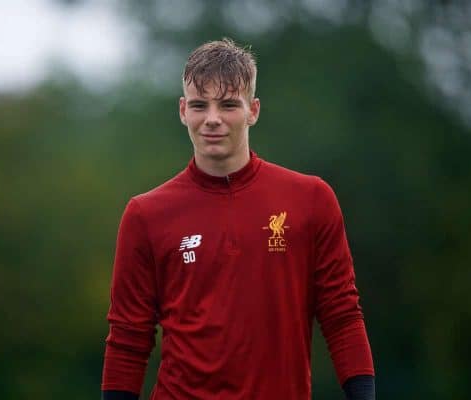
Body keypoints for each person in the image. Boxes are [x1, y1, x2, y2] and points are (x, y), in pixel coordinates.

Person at [101, 38, 375, 400]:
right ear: (183, 110)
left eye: (228, 105)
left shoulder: (311, 200)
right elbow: (128, 338)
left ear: (253, 110)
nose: (212, 119)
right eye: (200, 105)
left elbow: (342, 316)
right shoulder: (146, 214)